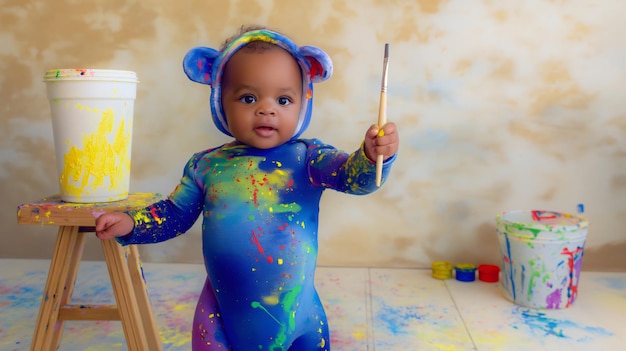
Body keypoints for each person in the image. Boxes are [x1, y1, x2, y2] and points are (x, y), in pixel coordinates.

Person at [95, 26, 399, 351]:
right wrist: (132, 224)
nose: (266, 109)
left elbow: (354, 178)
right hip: (221, 316)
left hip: (298, 315)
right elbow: (174, 215)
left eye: (283, 99)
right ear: (219, 100)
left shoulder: (309, 158)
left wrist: (372, 156)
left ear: (303, 103)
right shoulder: (206, 166)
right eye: (249, 98)